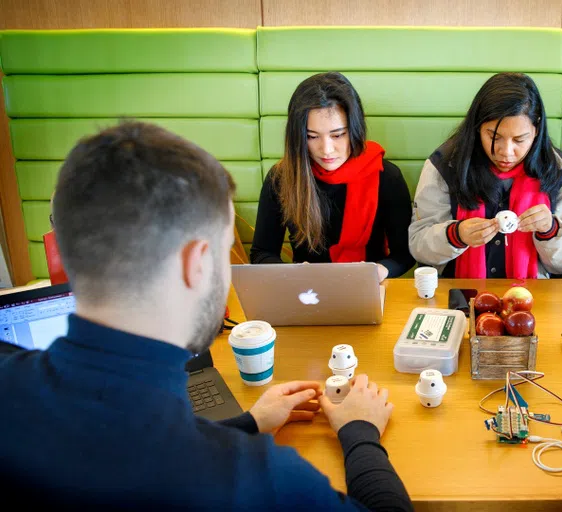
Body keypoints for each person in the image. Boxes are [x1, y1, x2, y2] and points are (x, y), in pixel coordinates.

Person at [0, 122, 412, 510]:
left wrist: (248, 423)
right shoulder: (257, 478)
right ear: (196, 264)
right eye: (223, 248)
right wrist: (360, 432)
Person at [408, 72, 562, 278]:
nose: (506, 152)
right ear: (477, 127)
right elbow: (418, 246)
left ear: (536, 129)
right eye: (494, 137)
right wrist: (456, 235)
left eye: (520, 140)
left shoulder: (558, 171)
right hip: (459, 297)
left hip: (532, 298)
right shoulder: (445, 165)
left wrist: (550, 229)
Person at [251, 72, 415, 281]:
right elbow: (261, 253)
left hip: (368, 287)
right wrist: (292, 274)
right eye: (311, 137)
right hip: (306, 289)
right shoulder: (281, 177)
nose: (326, 149)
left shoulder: (386, 176)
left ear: (355, 129)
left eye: (338, 135)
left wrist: (380, 270)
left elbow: (405, 254)